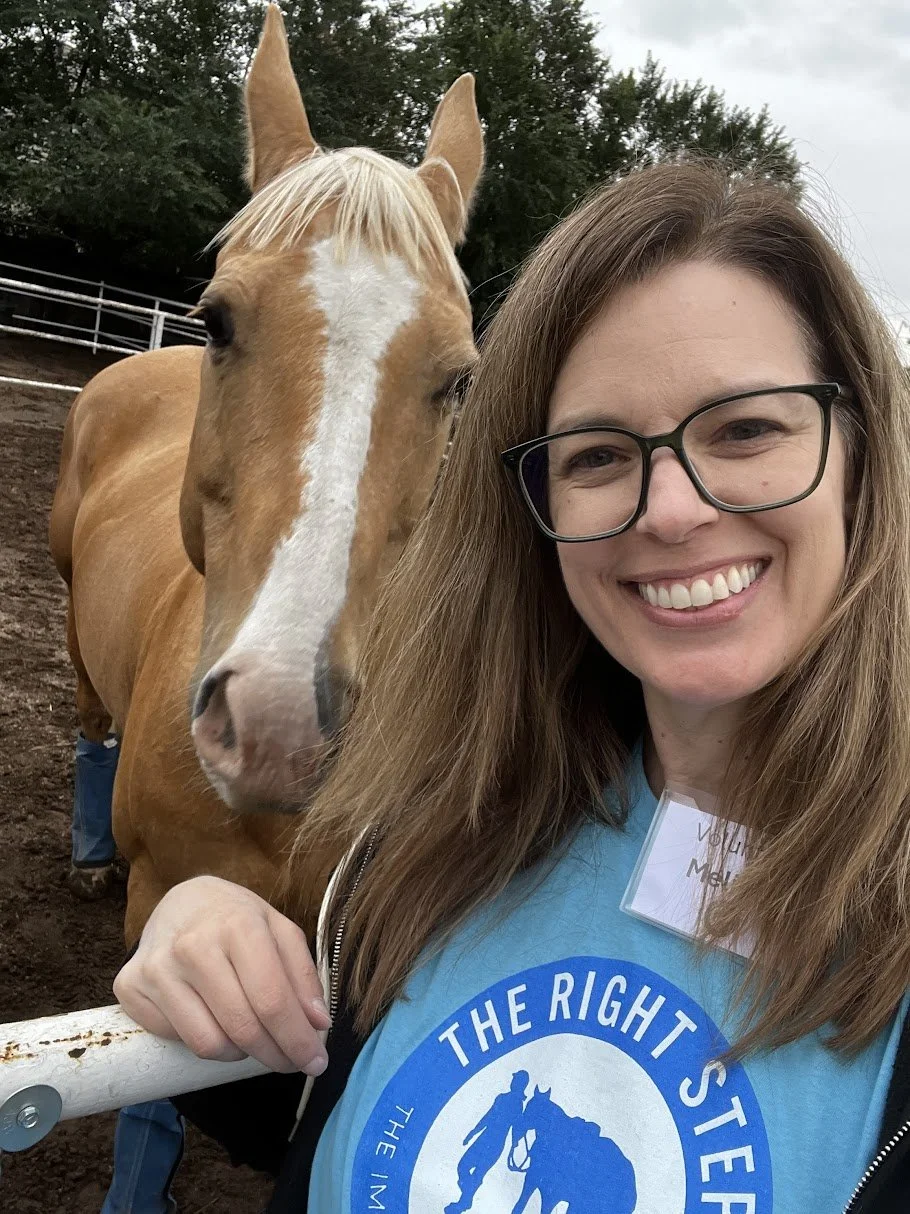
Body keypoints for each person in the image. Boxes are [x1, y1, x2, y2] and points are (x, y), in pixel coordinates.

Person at [113, 161, 910, 1214]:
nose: (669, 508)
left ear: (862, 448)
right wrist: (206, 938)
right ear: (532, 503)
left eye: (747, 428)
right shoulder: (434, 842)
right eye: (598, 453)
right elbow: (341, 1135)